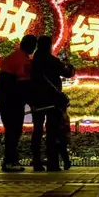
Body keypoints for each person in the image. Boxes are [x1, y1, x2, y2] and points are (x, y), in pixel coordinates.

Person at [30, 36, 75, 172]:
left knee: (37, 131)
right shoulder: (52, 60)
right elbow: (68, 73)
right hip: (52, 100)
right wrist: (69, 65)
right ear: (49, 46)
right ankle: (52, 162)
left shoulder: (33, 61)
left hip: (36, 100)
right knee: (52, 131)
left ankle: (36, 162)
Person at [0, 35, 36, 172]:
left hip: (4, 99)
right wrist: (32, 102)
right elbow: (23, 84)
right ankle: (9, 161)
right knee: (14, 131)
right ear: (32, 47)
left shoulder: (12, 57)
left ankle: (11, 160)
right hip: (13, 101)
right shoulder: (23, 60)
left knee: (11, 130)